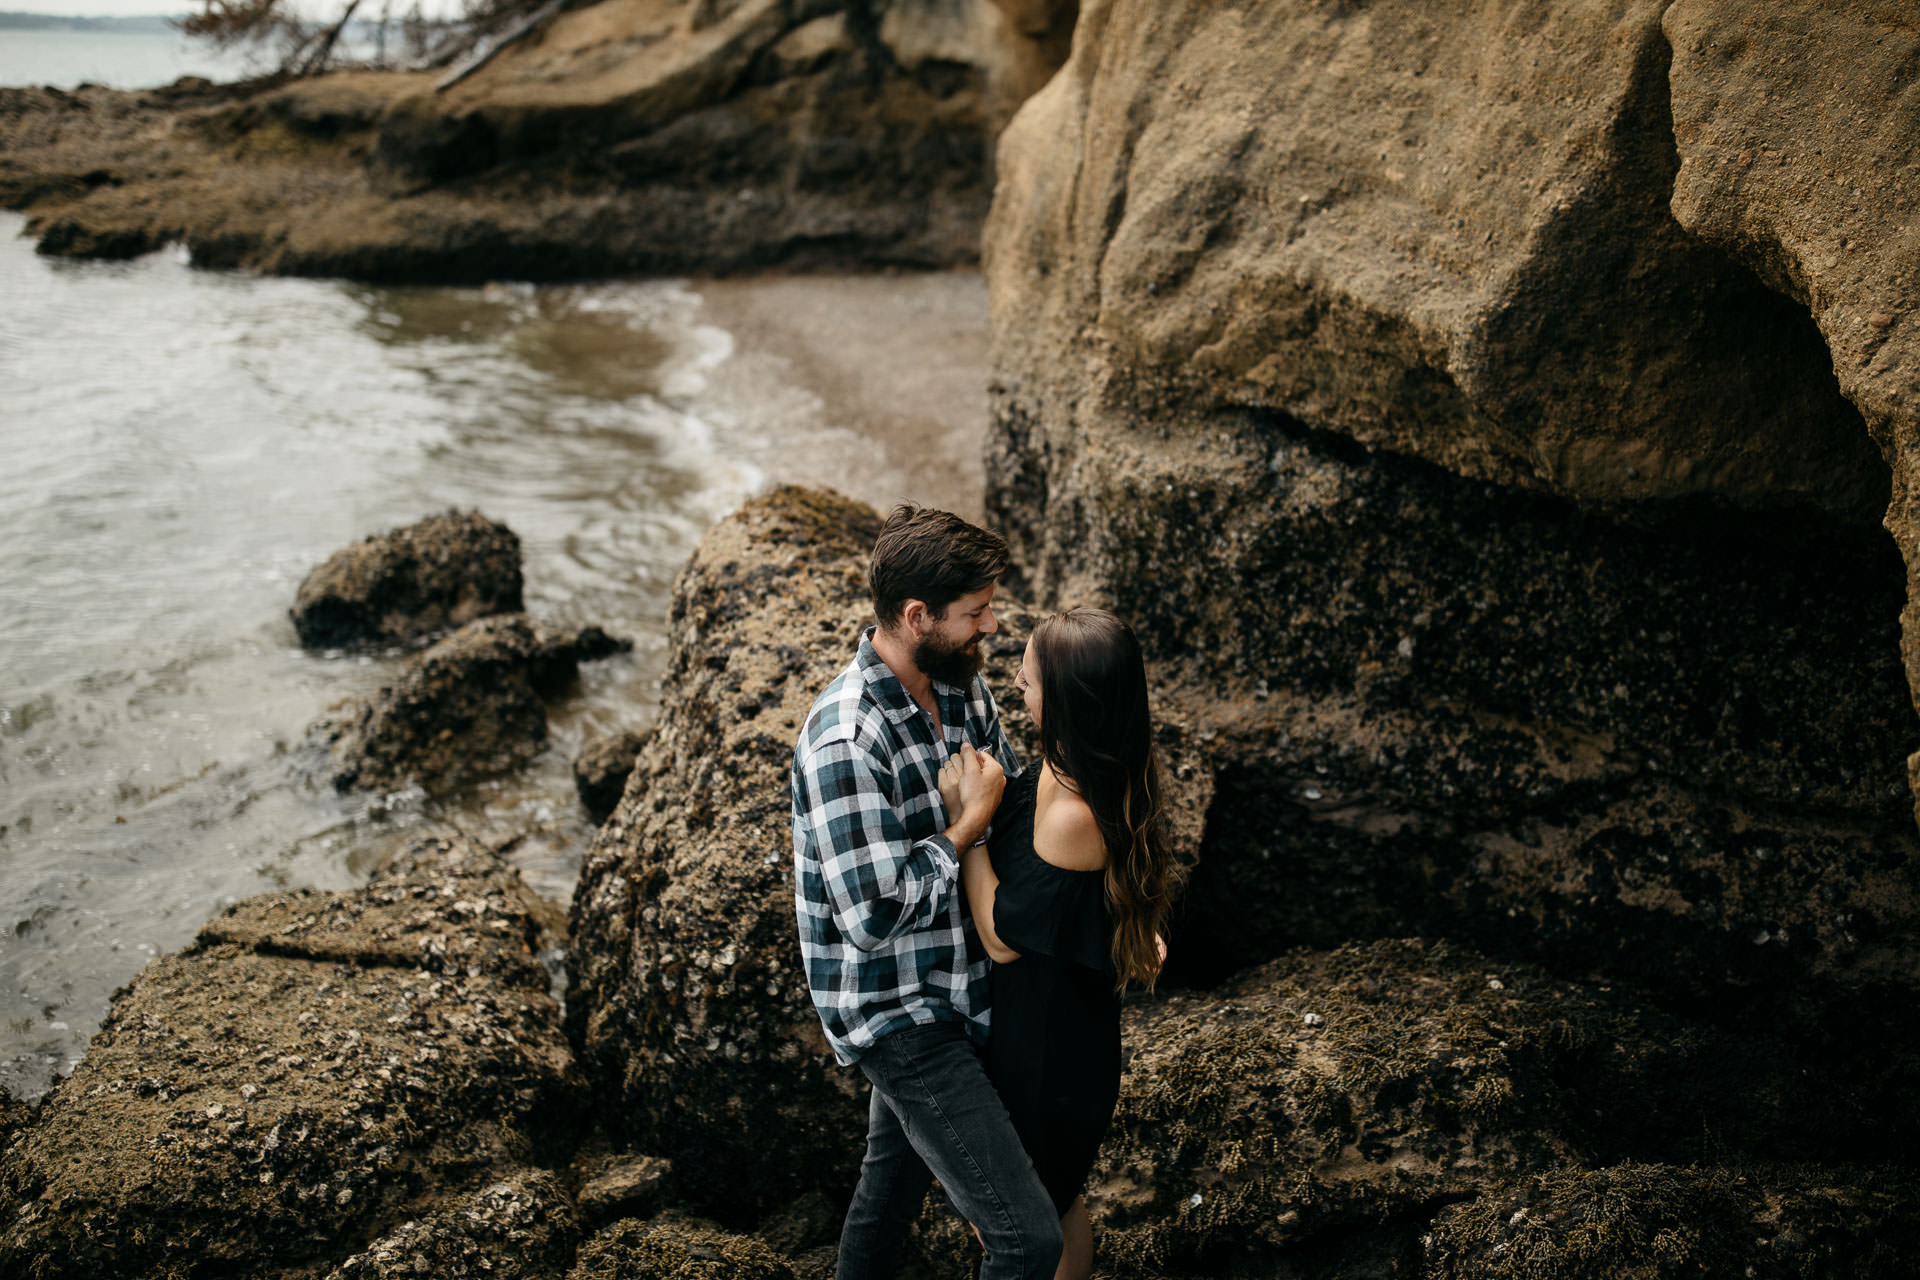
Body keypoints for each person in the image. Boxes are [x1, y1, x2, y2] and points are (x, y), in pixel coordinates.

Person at [791, 503, 1065, 1280]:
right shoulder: (845, 739)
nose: (990, 629)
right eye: (975, 614)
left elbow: (1009, 807)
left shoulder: (960, 689)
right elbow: (870, 915)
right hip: (896, 1009)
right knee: (1026, 1241)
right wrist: (962, 828)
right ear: (917, 616)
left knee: (892, 1185)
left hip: (959, 982)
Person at [945, 607, 1174, 1280]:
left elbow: (1000, 936)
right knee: (1055, 1202)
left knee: (1026, 1218)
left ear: (1069, 700)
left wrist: (971, 825)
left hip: (1052, 1058)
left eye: (1032, 674)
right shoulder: (1072, 763)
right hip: (1042, 1030)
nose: (1017, 679)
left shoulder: (1077, 813)